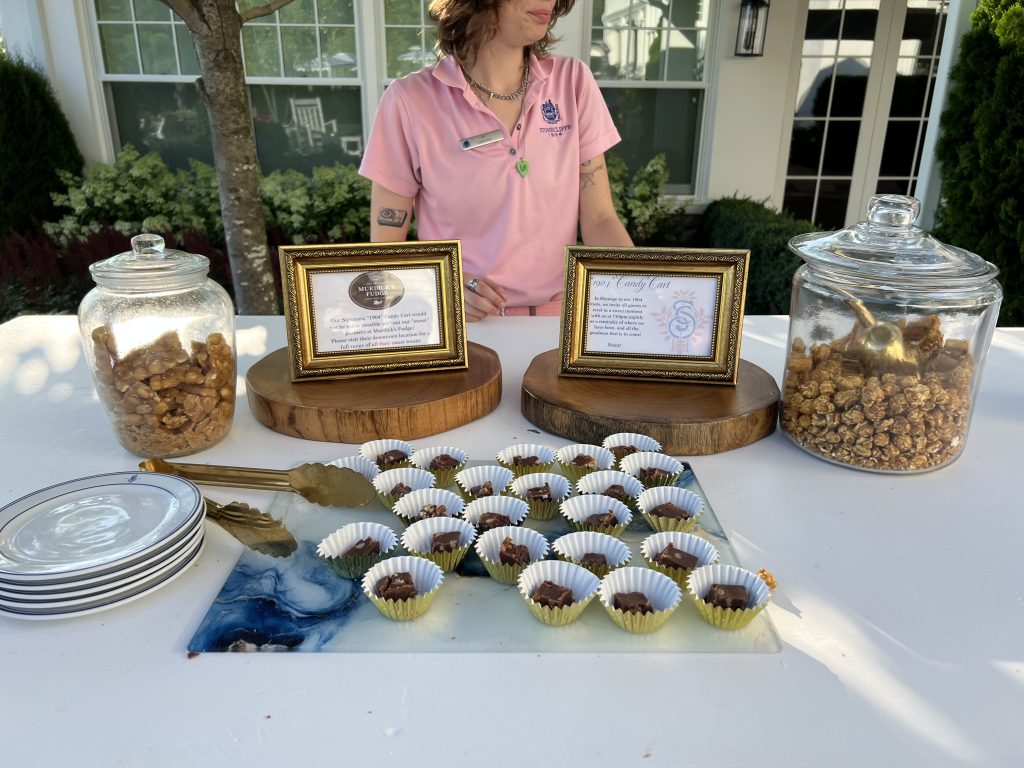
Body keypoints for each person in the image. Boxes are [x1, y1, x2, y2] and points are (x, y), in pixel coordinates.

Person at [359, 0, 633, 320]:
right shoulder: (409, 101)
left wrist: (644, 293)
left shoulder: (572, 82)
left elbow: (600, 219)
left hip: (560, 325)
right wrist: (442, 287)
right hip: (462, 328)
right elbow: (386, 252)